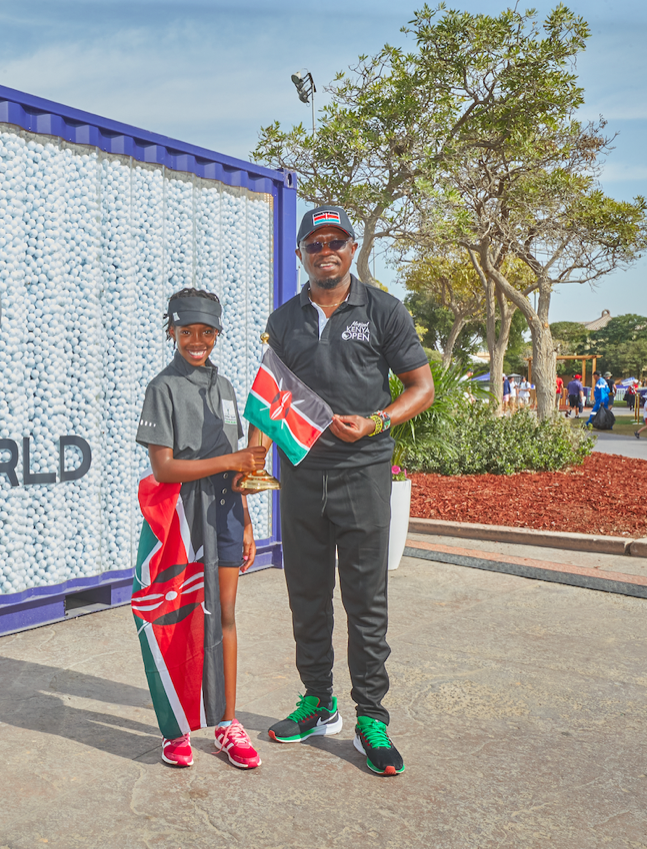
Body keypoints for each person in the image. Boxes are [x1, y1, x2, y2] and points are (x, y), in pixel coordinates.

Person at [252, 206, 434, 777]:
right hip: (301, 476)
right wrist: (253, 458)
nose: (325, 250)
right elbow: (268, 395)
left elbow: (421, 387)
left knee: (365, 602)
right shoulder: (284, 320)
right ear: (301, 253)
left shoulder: (383, 310)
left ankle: (371, 718)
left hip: (363, 473)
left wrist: (378, 421)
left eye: (336, 241)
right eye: (315, 243)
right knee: (306, 596)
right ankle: (318, 703)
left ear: (353, 248)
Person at [136, 288, 269, 770]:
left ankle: (227, 724)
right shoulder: (162, 388)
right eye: (187, 331)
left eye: (207, 332)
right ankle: (175, 730)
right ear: (171, 331)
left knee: (224, 615)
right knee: (174, 619)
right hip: (180, 518)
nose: (197, 341)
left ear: (217, 334)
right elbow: (164, 468)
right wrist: (232, 461)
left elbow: (240, 464)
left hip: (226, 513)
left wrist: (246, 520)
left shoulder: (227, 388)